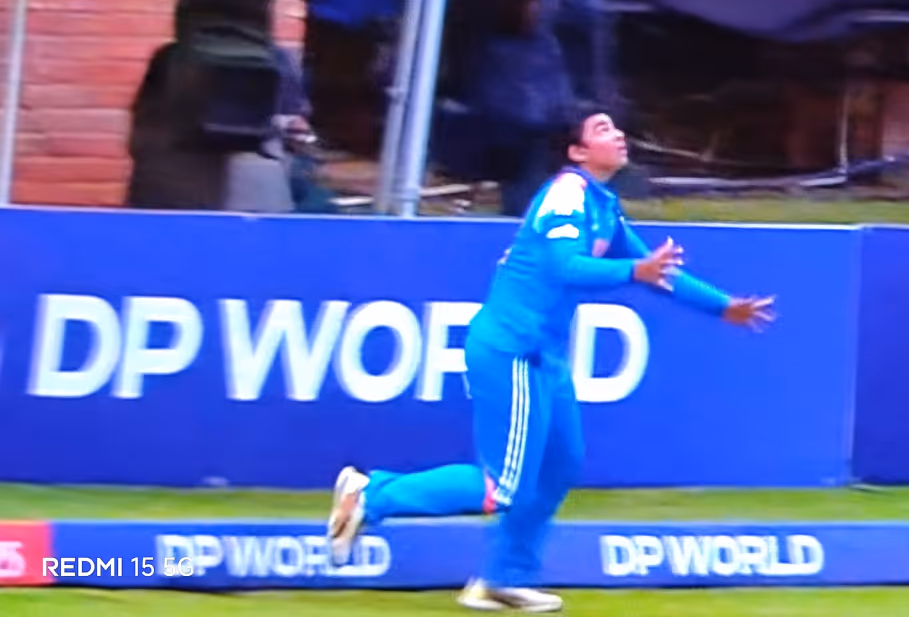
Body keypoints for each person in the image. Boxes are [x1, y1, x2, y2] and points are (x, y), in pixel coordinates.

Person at [325, 111, 776, 612]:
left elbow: (657, 273)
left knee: (559, 465)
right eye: (602, 130)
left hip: (545, 356)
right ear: (577, 152)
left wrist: (722, 306)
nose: (618, 134)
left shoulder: (603, 207)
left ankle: (501, 579)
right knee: (500, 487)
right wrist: (633, 270)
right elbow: (566, 268)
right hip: (512, 349)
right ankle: (372, 497)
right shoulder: (567, 195)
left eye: (615, 127)